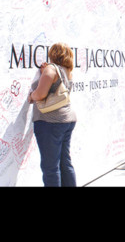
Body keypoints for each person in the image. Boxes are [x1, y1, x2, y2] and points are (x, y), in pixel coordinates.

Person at [27, 43, 77, 187]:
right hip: (67, 120)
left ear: (53, 54)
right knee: (65, 163)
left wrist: (31, 95)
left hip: (50, 122)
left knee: (50, 167)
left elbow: (41, 94)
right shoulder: (67, 71)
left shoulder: (51, 69)